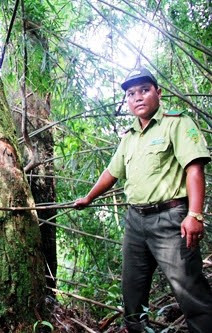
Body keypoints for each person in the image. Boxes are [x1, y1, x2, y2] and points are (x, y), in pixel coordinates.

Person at [75, 67, 212, 332]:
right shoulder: (129, 137)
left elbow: (194, 169)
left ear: (158, 93)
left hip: (171, 219)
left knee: (191, 292)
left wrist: (194, 215)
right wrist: (89, 197)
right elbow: (112, 172)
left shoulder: (177, 123)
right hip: (135, 222)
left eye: (144, 90)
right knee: (133, 293)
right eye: (130, 93)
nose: (137, 97)